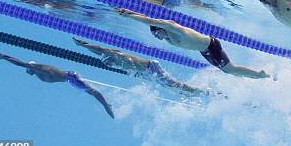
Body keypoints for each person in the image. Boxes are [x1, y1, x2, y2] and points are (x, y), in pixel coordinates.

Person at [115, 8, 269, 79]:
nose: (156, 37)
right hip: (204, 51)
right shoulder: (167, 37)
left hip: (211, 46)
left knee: (230, 69)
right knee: (229, 71)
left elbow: (150, 20)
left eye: (156, 33)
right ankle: (257, 75)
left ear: (160, 28)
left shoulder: (172, 28)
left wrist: (129, 15)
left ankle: (259, 74)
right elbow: (149, 23)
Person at [0, 53, 114, 119]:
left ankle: (106, 105)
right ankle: (106, 105)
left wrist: (4, 57)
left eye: (28, 69)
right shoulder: (38, 74)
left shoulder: (39, 69)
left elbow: (20, 63)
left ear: (31, 67)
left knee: (92, 92)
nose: (28, 72)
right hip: (68, 80)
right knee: (89, 92)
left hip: (70, 77)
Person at [72, 38, 203, 96]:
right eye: (108, 64)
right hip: (148, 73)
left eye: (109, 62)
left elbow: (101, 50)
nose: (109, 65)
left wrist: (84, 45)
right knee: (174, 88)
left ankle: (202, 91)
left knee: (175, 85)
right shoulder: (117, 63)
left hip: (152, 69)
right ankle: (194, 93)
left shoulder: (118, 56)